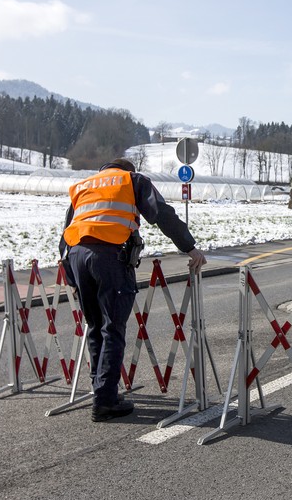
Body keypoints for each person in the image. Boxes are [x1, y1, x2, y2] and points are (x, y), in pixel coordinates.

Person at [60, 158, 207, 422]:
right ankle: (105, 401)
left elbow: (66, 233)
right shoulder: (132, 180)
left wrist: (71, 277)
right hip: (110, 256)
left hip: (78, 256)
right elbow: (162, 213)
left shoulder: (83, 186)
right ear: (128, 169)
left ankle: (101, 390)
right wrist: (190, 247)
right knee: (112, 328)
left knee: (95, 326)